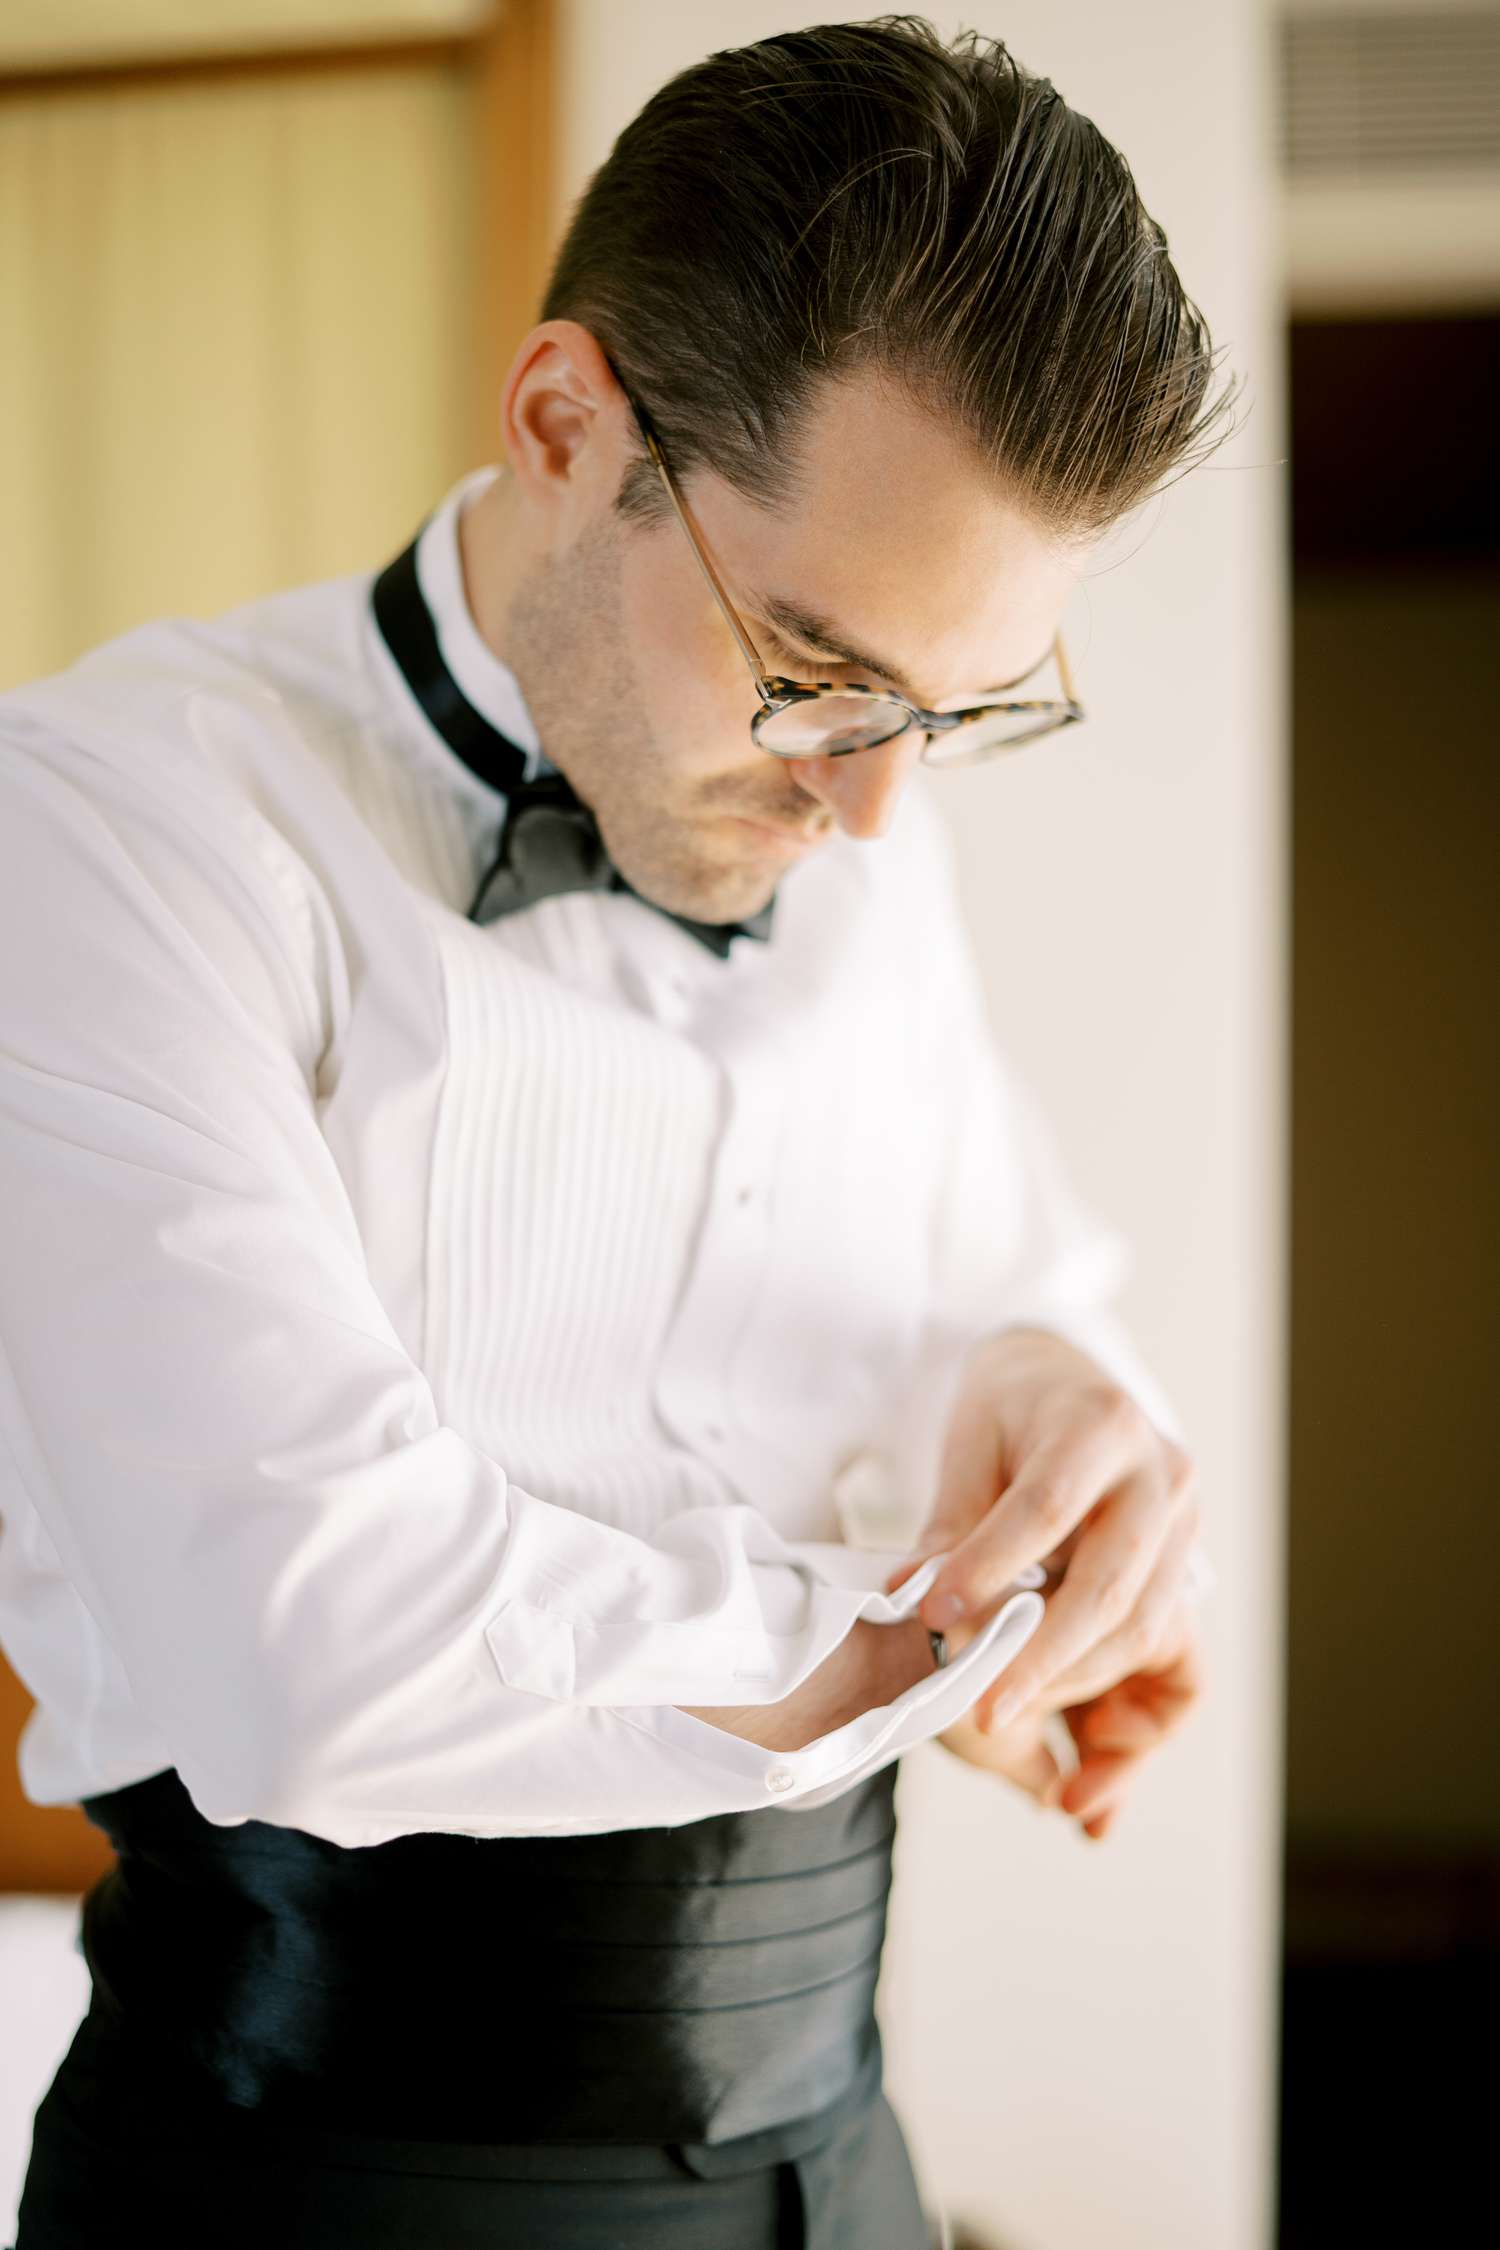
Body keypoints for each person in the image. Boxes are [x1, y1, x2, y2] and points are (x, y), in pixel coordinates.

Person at [0, 17, 1233, 2248]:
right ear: (568, 423)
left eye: (962, 712)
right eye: (819, 667)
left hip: (849, 2160)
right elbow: (316, 1642)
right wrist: (927, 1630)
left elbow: (1001, 1280)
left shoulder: (869, 841)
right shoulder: (110, 828)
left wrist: (1061, 1407)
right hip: (312, 2186)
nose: (873, 806)